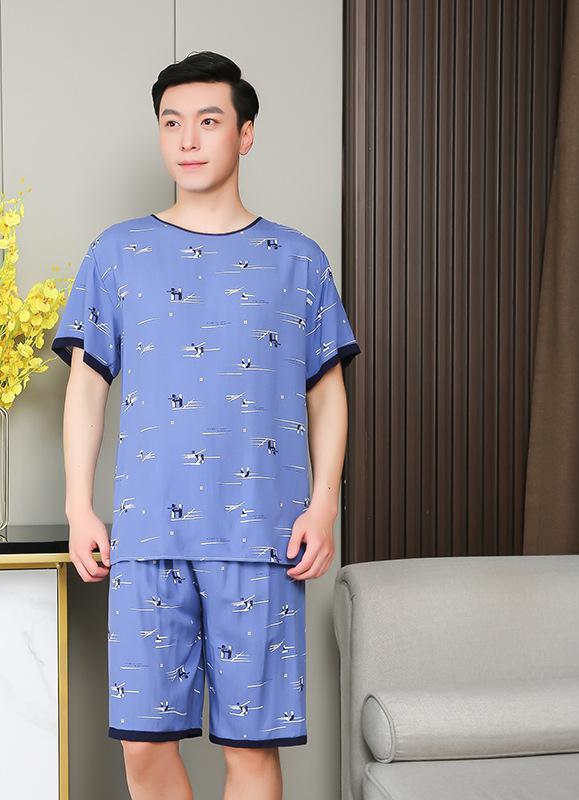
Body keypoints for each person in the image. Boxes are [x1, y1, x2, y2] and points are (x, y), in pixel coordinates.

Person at [54, 51, 359, 800]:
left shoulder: (299, 261)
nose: (188, 139)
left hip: (262, 538)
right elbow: (87, 386)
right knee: (143, 746)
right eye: (172, 123)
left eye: (209, 121)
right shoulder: (116, 253)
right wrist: (79, 505)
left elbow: (327, 394)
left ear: (245, 134)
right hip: (146, 538)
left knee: (251, 752)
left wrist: (323, 505)